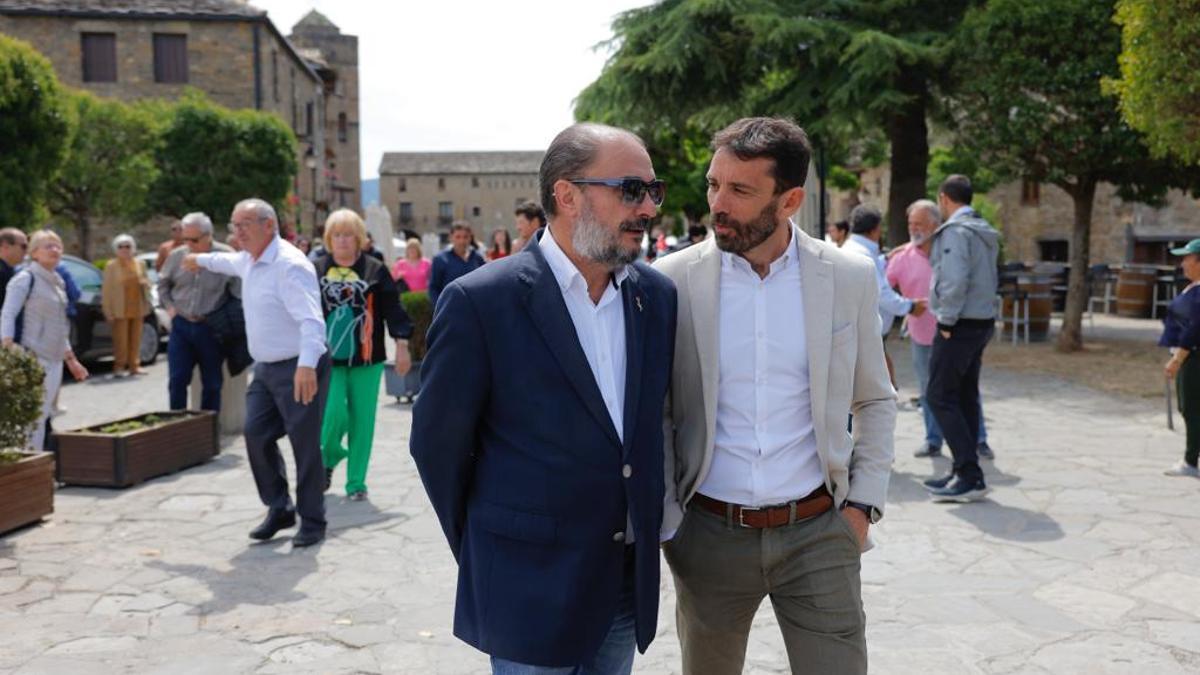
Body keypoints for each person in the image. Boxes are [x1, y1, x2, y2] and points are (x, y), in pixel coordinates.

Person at [410, 122, 676, 674]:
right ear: (567, 194)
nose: (648, 207)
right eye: (631, 189)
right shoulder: (482, 301)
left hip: (623, 581)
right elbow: (437, 446)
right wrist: (490, 549)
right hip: (525, 584)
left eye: (654, 190)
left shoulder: (657, 296)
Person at [654, 117, 895, 675]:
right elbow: (658, 410)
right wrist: (672, 520)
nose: (718, 202)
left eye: (740, 190)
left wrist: (861, 507)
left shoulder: (848, 277)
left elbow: (875, 399)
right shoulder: (670, 281)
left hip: (819, 533)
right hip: (707, 535)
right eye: (715, 184)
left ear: (789, 200)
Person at [183, 198, 329, 547]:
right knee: (256, 434)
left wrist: (307, 366)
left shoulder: (290, 266)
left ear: (269, 225)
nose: (237, 232)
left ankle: (313, 521)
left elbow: (312, 322)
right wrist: (196, 259)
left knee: (304, 445)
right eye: (234, 225)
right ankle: (279, 507)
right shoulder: (250, 260)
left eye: (245, 224)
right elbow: (224, 261)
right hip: (265, 368)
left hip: (300, 365)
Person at [314, 209, 413, 501]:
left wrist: (403, 346)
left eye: (348, 235)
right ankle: (330, 456)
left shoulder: (374, 269)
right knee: (332, 414)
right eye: (337, 235)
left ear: (359, 239)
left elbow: (393, 309)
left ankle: (356, 482)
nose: (342, 241)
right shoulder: (316, 268)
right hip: (327, 358)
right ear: (329, 239)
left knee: (363, 421)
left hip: (368, 357)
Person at [889, 200, 992, 459]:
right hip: (922, 334)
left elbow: (961, 283)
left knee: (966, 388)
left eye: (920, 224)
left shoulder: (948, 248)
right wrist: (905, 305)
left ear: (936, 225)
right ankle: (933, 440)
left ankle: (978, 440)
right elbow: (882, 285)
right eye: (911, 224)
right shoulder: (902, 258)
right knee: (928, 390)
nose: (914, 229)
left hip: (953, 332)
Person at [923, 174, 1000, 502]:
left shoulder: (957, 231)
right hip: (981, 321)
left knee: (939, 395)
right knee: (964, 394)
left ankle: (970, 474)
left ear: (943, 199)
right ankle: (963, 470)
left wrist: (946, 321)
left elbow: (954, 279)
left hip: (959, 323)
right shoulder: (982, 230)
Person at [1, 230, 89, 451]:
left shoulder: (58, 281)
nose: (55, 250)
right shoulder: (24, 279)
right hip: (31, 356)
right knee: (33, 418)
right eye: (48, 246)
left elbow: (59, 325)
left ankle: (38, 465)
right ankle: (32, 467)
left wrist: (71, 360)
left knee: (43, 414)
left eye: (58, 245)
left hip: (55, 358)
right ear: (34, 253)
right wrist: (9, 349)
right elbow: (8, 314)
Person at [159, 212, 237, 412]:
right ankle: (177, 428)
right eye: (185, 239)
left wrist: (226, 319)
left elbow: (238, 293)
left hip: (210, 327)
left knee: (212, 384)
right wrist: (170, 309)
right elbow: (163, 285)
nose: (189, 244)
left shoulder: (225, 256)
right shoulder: (177, 255)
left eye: (194, 240)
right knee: (177, 379)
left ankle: (207, 431)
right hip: (182, 325)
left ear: (208, 235)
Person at [842, 204, 926, 388]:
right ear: (875, 229)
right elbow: (882, 294)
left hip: (859, 329)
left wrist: (887, 257)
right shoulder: (863, 256)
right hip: (867, 332)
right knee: (876, 390)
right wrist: (910, 307)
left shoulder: (853, 249)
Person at [1160, 239, 1200, 477]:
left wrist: (1177, 358)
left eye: (1186, 258)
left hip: (1193, 357)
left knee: (1191, 408)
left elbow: (1196, 329)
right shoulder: (1194, 287)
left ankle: (1190, 461)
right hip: (1190, 354)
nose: (1182, 262)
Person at [101, 234, 152, 378]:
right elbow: (107, 290)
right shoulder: (111, 266)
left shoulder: (139, 264)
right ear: (116, 249)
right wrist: (107, 310)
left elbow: (148, 283)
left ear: (133, 248)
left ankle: (134, 366)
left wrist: (145, 283)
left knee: (136, 338)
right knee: (120, 341)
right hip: (120, 308)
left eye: (128, 246)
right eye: (121, 247)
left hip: (137, 306)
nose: (124, 249)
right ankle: (119, 367)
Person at [427, 221, 484, 309]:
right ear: (451, 237)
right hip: (450, 310)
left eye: (465, 237)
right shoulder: (440, 259)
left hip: (475, 310)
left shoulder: (477, 258)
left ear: (470, 238)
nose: (462, 241)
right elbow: (433, 288)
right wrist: (440, 309)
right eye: (458, 237)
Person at [1, 228, 29, 309]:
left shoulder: (10, 270)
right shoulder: (2, 272)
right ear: (5, 246)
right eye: (24, 246)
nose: (26, 251)